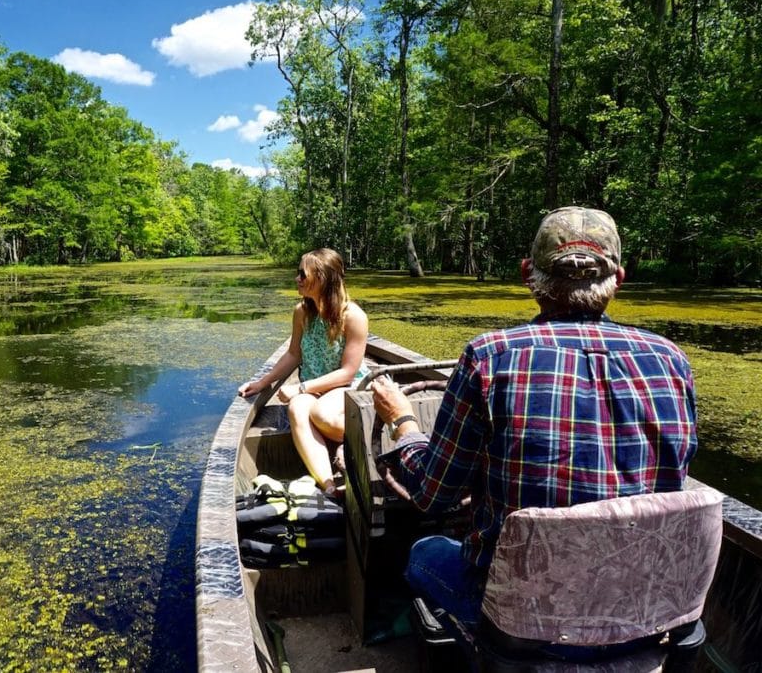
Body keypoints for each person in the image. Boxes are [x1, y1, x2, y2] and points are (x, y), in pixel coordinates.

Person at [372, 206, 698, 633]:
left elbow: (434, 496)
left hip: (522, 620)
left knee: (425, 551)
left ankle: (475, 646)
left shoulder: (490, 358)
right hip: (644, 613)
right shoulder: (671, 360)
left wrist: (403, 424)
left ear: (529, 273)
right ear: (618, 278)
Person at [238, 248, 369, 496]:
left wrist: (300, 388)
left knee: (321, 414)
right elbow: (293, 355)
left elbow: (348, 373)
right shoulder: (302, 312)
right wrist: (262, 382)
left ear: (322, 278)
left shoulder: (354, 317)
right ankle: (329, 485)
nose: (296, 279)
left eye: (302, 274)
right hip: (315, 388)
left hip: (347, 388)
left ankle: (352, 444)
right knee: (297, 408)